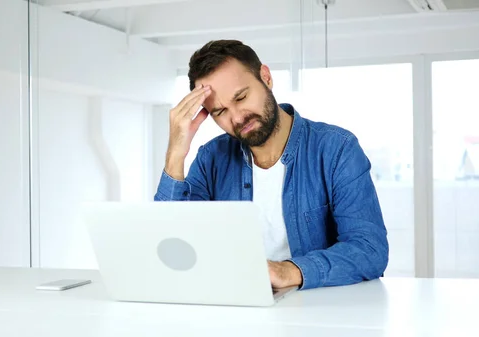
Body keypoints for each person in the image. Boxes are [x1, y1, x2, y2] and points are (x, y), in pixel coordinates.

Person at [154, 39, 389, 290]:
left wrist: (288, 271)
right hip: (235, 308)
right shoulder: (211, 158)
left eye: (241, 97)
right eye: (220, 112)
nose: (237, 117)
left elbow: (369, 250)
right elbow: (172, 248)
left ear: (265, 77)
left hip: (316, 312)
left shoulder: (336, 149)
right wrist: (175, 154)